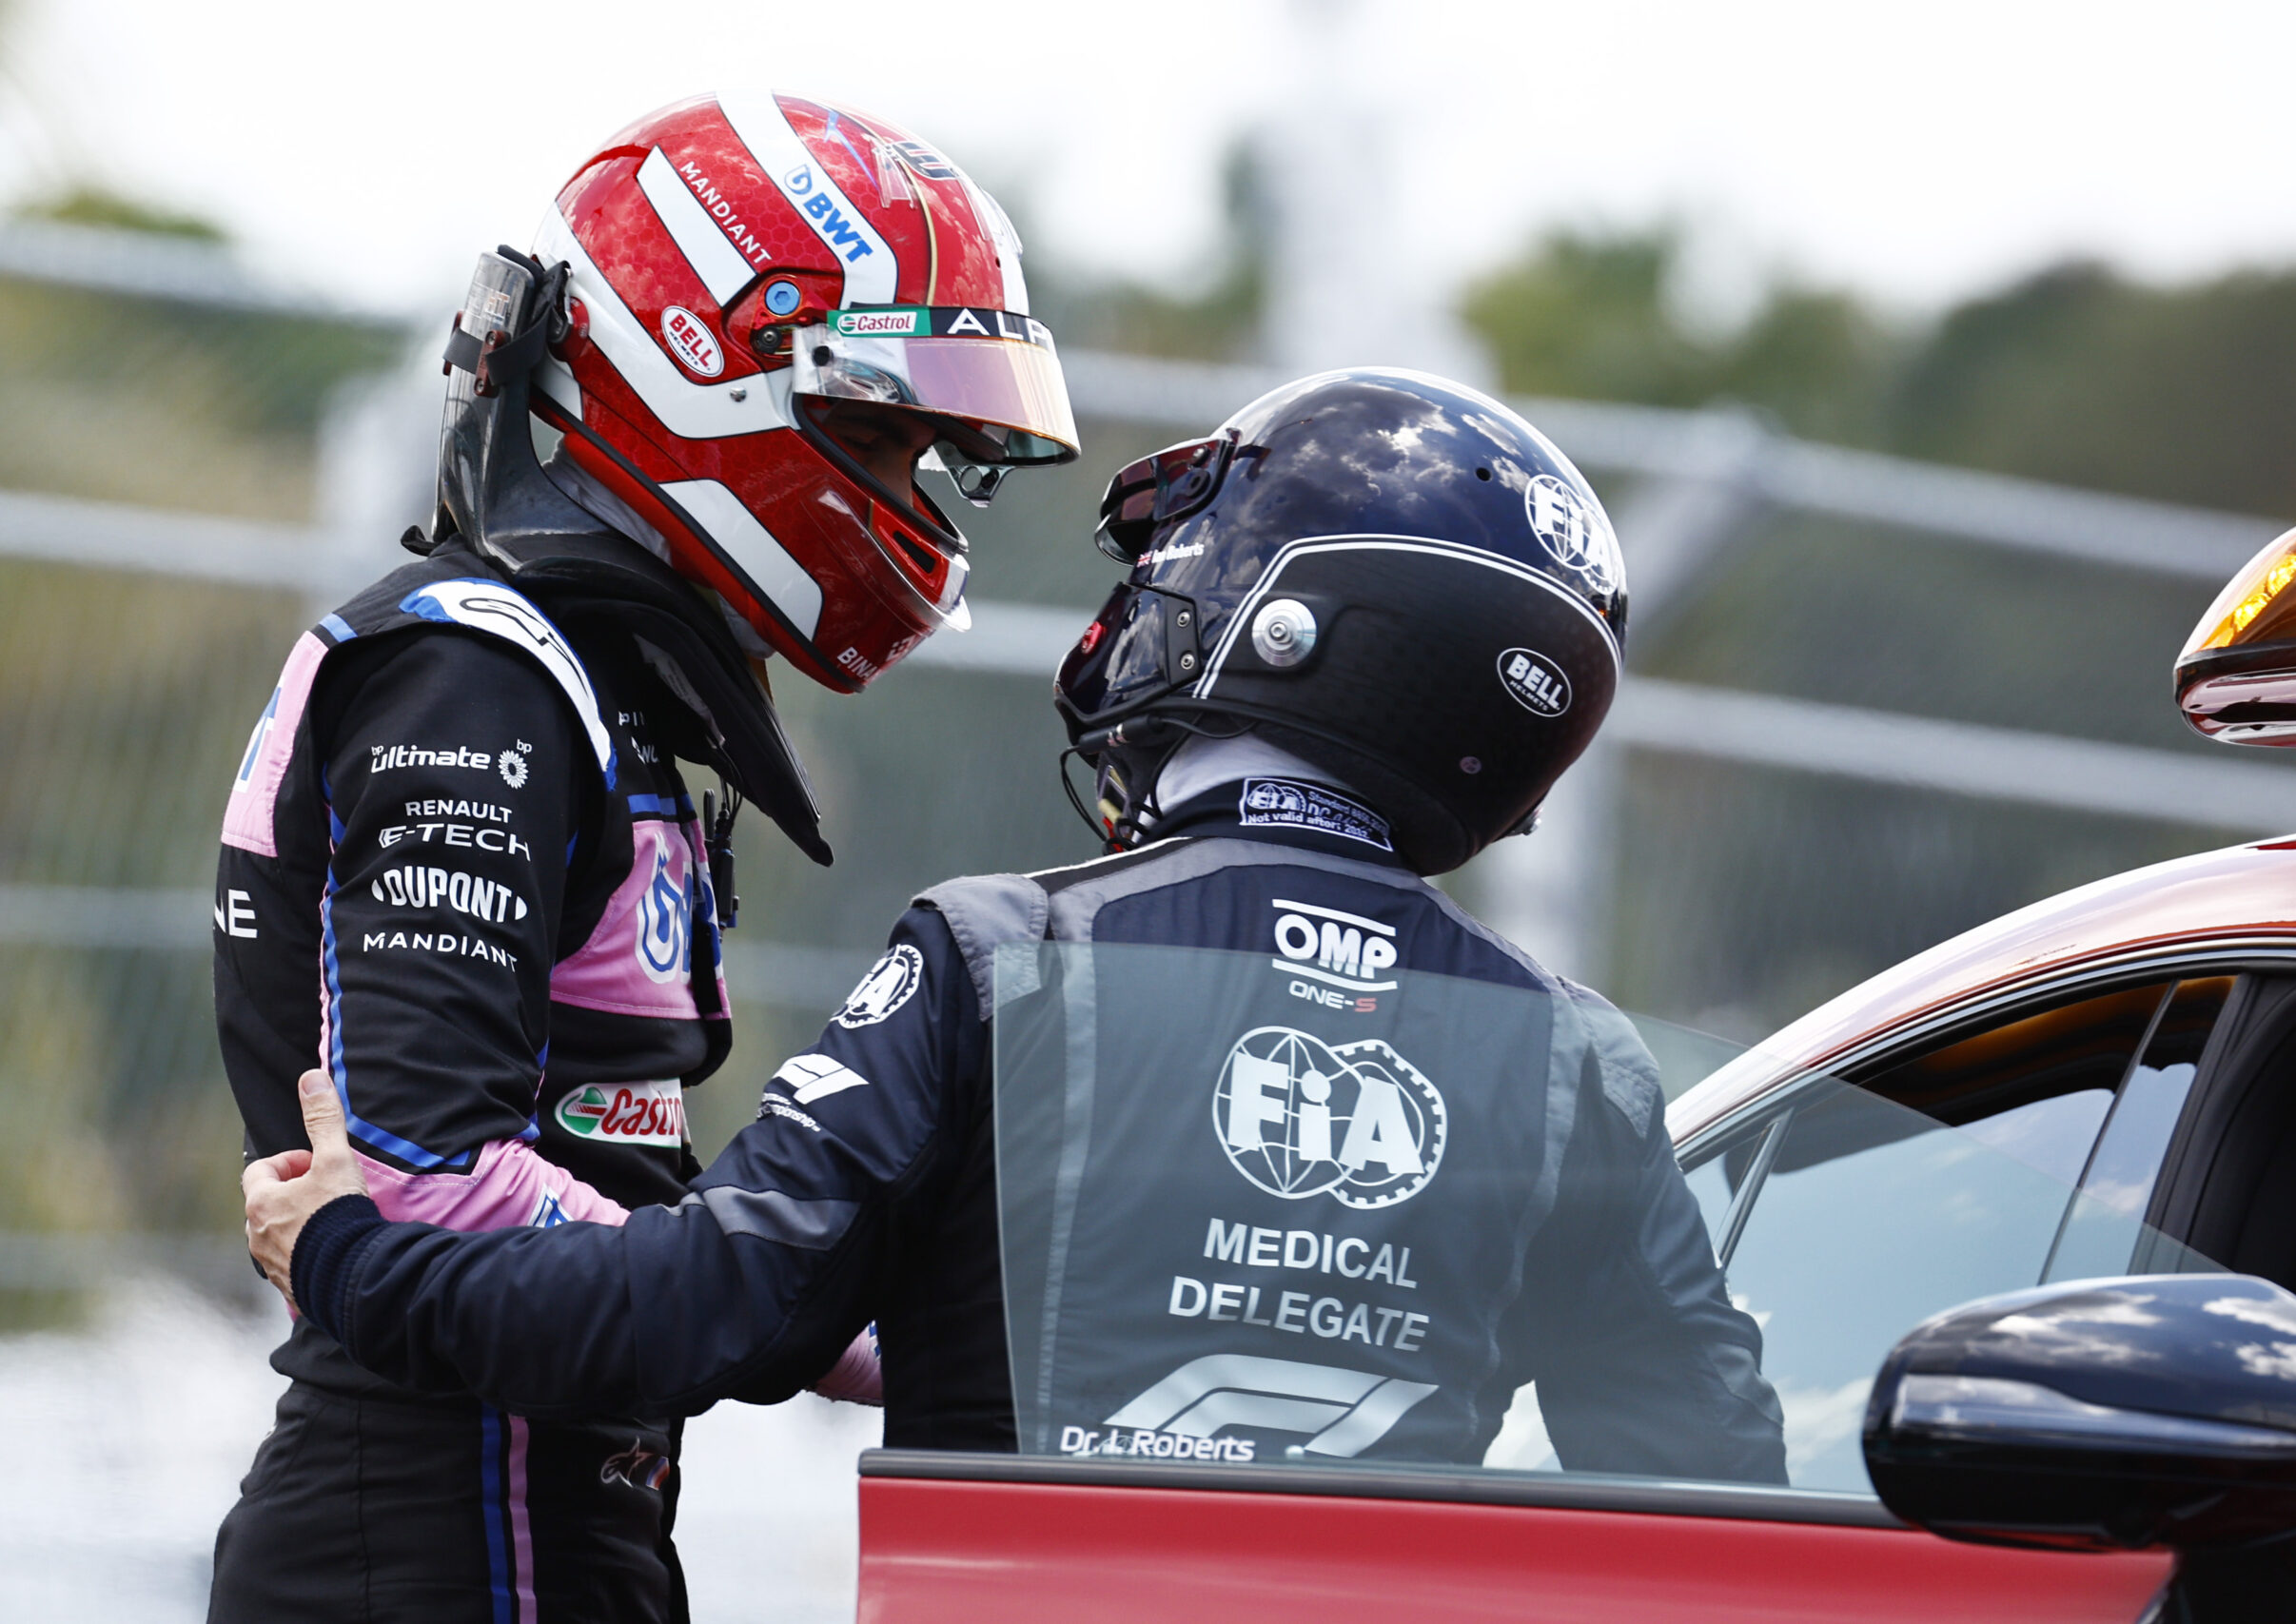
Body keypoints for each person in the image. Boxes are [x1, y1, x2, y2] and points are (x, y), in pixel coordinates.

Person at [243, 369, 1786, 1485]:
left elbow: (711, 1314)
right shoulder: (1576, 1060)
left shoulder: (1002, 959)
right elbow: (1709, 1484)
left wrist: (356, 1258)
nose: (1159, 598)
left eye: (1197, 559)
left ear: (1305, 627)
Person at [208, 90, 1077, 1623]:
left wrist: (932, 1324)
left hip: (552, 1510)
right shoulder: (473, 677)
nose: (914, 491)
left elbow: (599, 1188)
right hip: (440, 1521)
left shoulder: (576, 684)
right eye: (880, 426)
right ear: (700, 372)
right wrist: (771, 1290)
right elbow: (413, 1185)